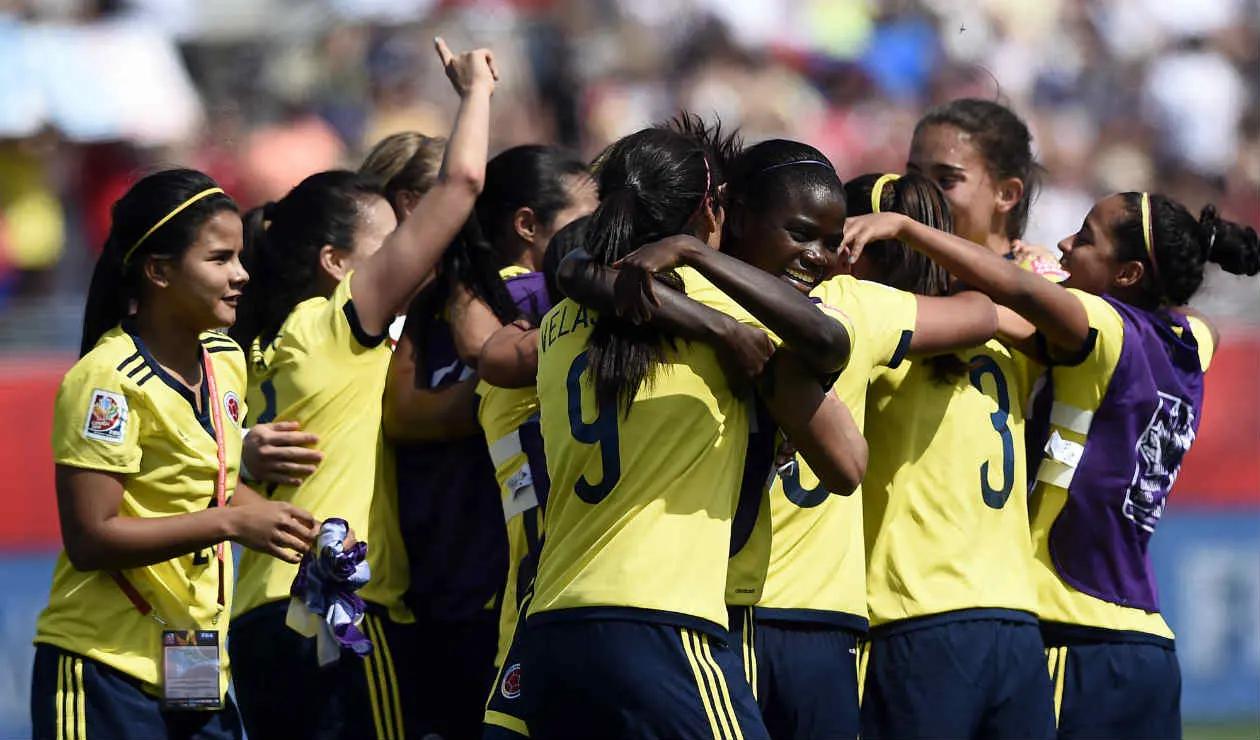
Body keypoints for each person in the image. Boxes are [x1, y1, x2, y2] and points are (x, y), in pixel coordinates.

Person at [843, 192, 1260, 739]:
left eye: (1086, 238)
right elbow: (1193, 322)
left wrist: (906, 229)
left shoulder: (1106, 332)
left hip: (1073, 627)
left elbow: (1016, 288)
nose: (1064, 244)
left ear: (1130, 273)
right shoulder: (1192, 341)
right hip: (1149, 641)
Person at [523, 124, 862, 740]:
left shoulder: (561, 317)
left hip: (552, 623)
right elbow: (846, 463)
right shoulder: (733, 309)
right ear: (712, 210)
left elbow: (579, 268)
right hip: (662, 623)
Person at [226, 39, 498, 740]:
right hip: (340, 605)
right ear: (337, 262)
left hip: (257, 616)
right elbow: (462, 184)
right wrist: (476, 91)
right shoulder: (336, 325)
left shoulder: (254, 347)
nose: (408, 256)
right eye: (388, 247)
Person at [715, 159, 1002, 740]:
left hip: (738, 606)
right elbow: (987, 311)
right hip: (827, 616)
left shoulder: (703, 302)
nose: (819, 254)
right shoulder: (857, 305)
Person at [32, 169, 317, 740]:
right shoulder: (107, 382)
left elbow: (210, 484)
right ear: (158, 272)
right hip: (102, 667)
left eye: (239, 257)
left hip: (194, 667)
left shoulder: (224, 358)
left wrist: (286, 525)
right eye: (219, 259)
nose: (241, 275)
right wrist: (233, 522)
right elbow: (90, 538)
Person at [840, 176, 1058, 738]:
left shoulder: (866, 321)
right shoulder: (1007, 335)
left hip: (917, 615)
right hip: (1014, 620)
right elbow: (1039, 322)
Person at [908, 98, 1067, 280]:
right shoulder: (891, 272)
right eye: (914, 178)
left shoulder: (1041, 288)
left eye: (946, 180)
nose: (920, 193)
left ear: (1007, 194)